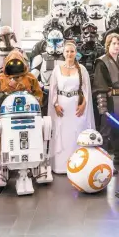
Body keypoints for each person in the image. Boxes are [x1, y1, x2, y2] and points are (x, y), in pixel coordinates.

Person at [47, 40, 95, 174]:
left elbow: (86, 89)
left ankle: (78, 165)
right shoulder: (57, 69)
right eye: (67, 51)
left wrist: (83, 104)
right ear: (63, 53)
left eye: (72, 51)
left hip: (76, 106)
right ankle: (60, 167)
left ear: (76, 53)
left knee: (76, 133)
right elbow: (53, 89)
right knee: (61, 134)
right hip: (61, 107)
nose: (69, 54)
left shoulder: (82, 69)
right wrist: (55, 104)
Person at [93, 33, 119, 168]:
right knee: (106, 131)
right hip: (109, 100)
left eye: (118, 43)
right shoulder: (102, 62)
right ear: (108, 45)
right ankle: (103, 161)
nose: (116, 46)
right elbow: (100, 86)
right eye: (113, 43)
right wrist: (103, 108)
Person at [0, 50, 43, 118]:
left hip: (28, 112)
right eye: (12, 63)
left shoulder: (30, 78)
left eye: (18, 63)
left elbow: (38, 95)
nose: (15, 65)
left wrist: (32, 97)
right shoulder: (0, 78)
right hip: (6, 113)